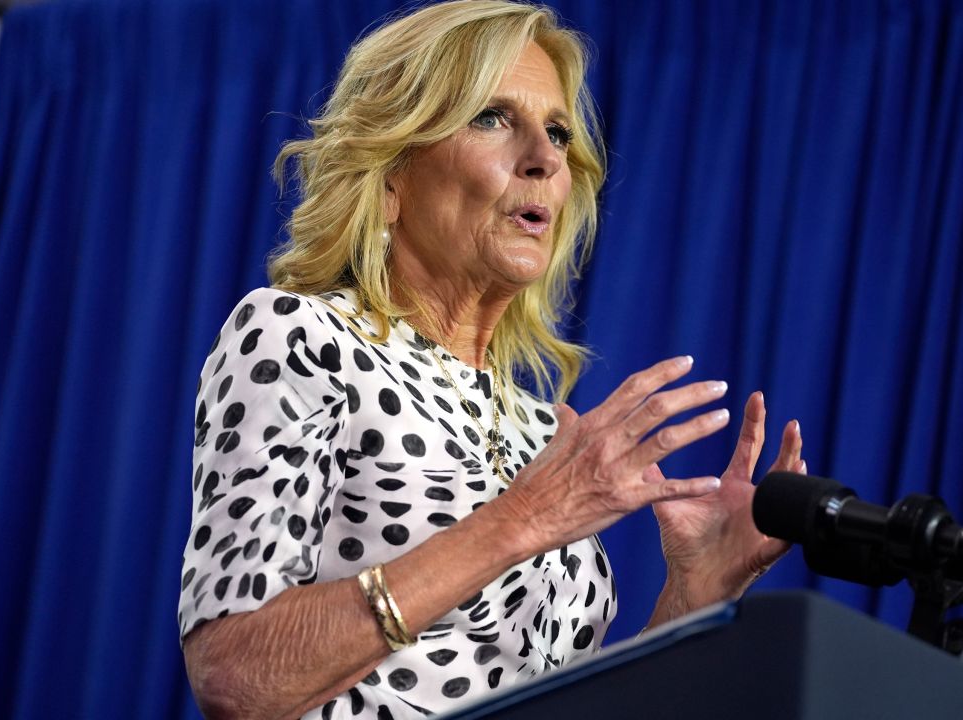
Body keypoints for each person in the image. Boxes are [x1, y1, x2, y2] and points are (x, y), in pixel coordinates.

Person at [178, 2, 806, 718]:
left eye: (559, 132)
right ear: (391, 177)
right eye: (493, 117)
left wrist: (693, 596)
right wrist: (523, 517)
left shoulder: (541, 431)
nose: (544, 156)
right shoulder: (302, 336)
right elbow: (236, 676)